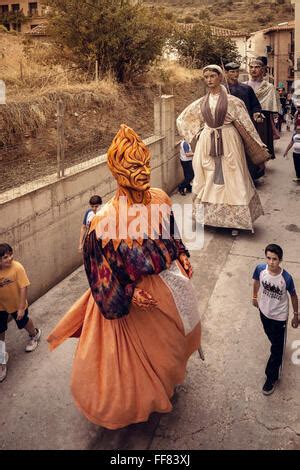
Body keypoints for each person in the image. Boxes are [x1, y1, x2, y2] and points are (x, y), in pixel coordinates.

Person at [48, 124, 201, 429]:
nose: (143, 171)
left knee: (172, 345)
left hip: (167, 286)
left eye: (145, 163)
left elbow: (171, 232)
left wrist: (181, 252)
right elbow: (98, 271)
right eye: (133, 166)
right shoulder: (103, 220)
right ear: (117, 172)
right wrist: (128, 293)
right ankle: (141, 403)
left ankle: (166, 383)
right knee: (129, 368)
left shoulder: (159, 198)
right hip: (131, 302)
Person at [177, 64, 264, 237]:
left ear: (220, 77)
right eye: (206, 77)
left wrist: (258, 145)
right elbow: (183, 119)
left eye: (212, 76)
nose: (209, 80)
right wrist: (195, 135)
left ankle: (235, 220)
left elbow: (247, 124)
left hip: (229, 141)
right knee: (207, 177)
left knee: (233, 177)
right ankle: (209, 218)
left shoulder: (233, 102)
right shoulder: (201, 102)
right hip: (208, 141)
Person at [252, 244, 299, 395]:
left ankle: (271, 377)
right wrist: (254, 296)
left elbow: (293, 296)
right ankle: (277, 348)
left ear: (280, 260)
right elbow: (256, 281)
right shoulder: (260, 269)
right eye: (269, 258)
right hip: (264, 312)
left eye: (275, 259)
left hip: (279, 318)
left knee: (277, 349)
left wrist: (296, 315)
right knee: (273, 340)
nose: (271, 262)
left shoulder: (286, 278)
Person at [0, 243, 41, 383]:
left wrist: (22, 307)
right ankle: (1, 360)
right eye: (5, 257)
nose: (10, 258)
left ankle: (34, 334)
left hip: (17, 304)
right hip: (1, 307)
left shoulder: (17, 268)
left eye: (11, 254)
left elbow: (24, 287)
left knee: (23, 322)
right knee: (0, 330)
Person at [224, 61, 265, 181]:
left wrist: (257, 113)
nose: (235, 74)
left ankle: (250, 178)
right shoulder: (222, 90)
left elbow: (256, 105)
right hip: (229, 126)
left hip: (246, 125)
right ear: (226, 73)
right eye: (232, 72)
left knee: (248, 151)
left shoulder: (246, 89)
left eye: (237, 71)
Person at [244, 58, 280, 159]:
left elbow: (271, 107)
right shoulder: (244, 86)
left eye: (257, 67)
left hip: (263, 119)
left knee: (262, 142)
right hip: (247, 118)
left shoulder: (269, 87)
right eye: (251, 67)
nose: (253, 70)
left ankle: (262, 163)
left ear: (263, 70)